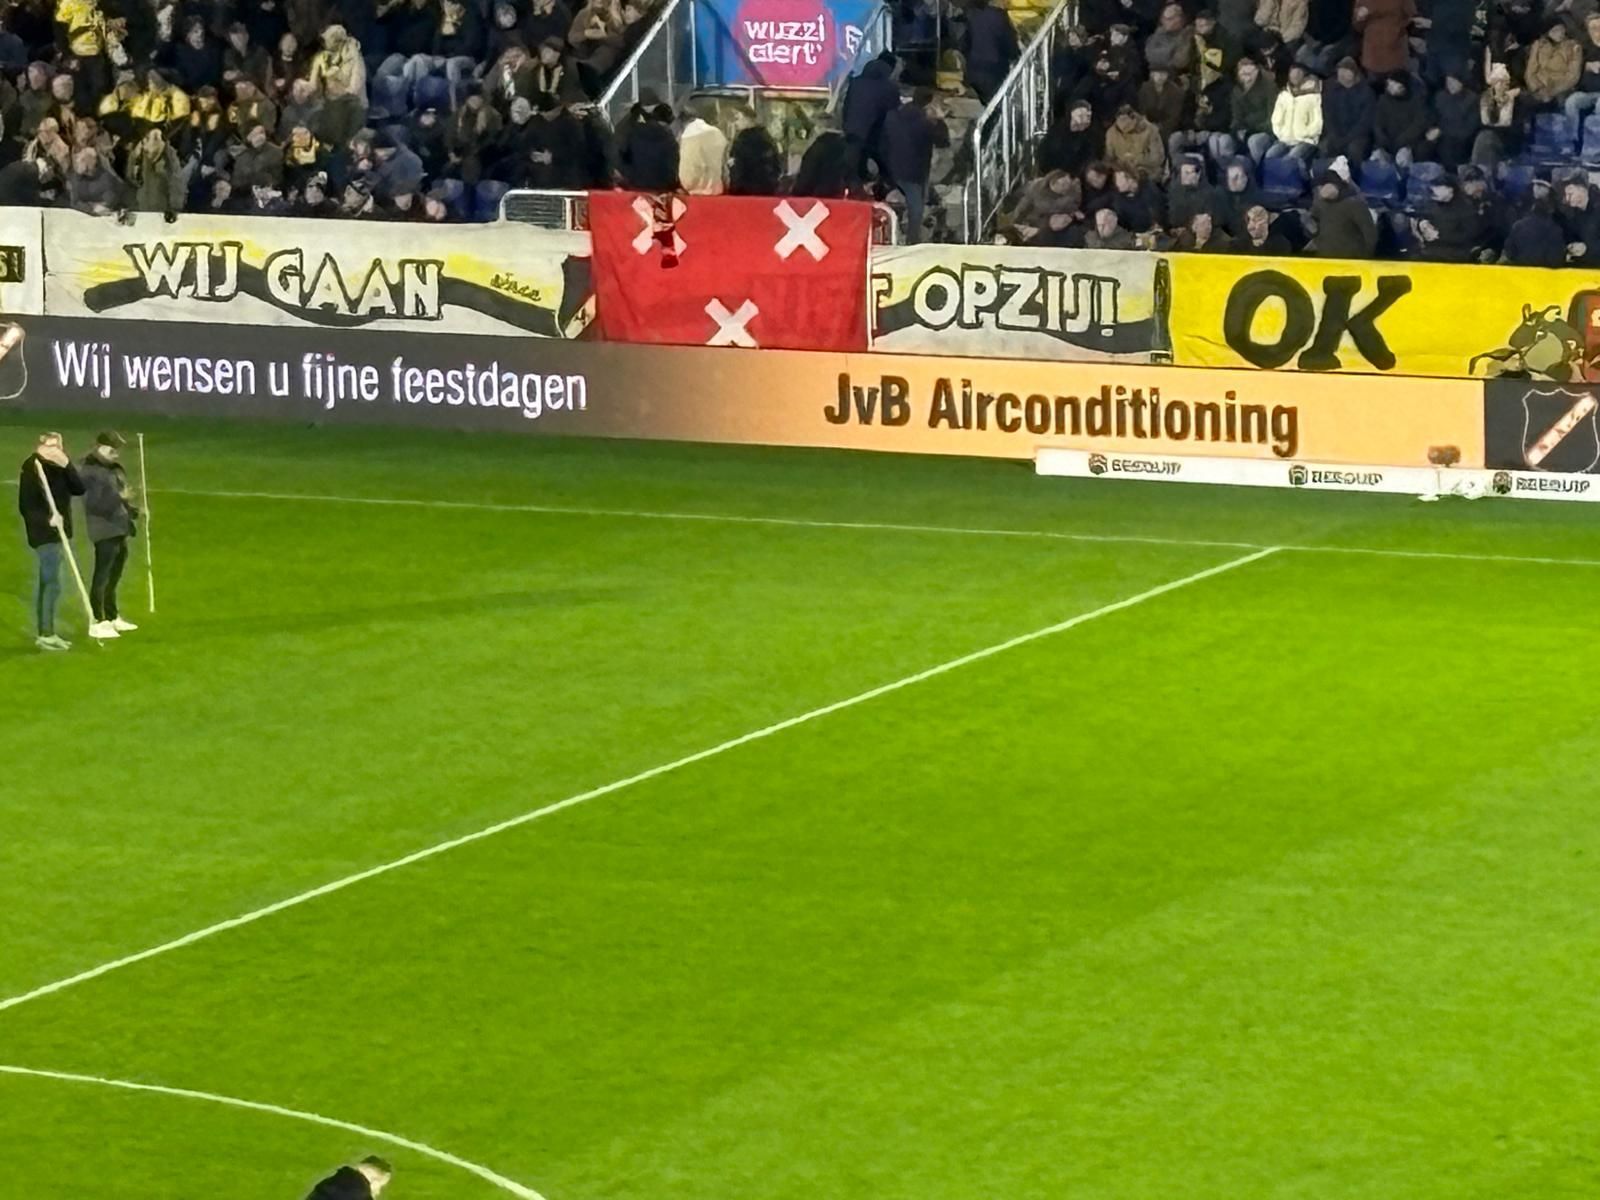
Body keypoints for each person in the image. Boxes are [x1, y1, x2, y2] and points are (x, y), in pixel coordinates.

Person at [18, 431, 85, 652]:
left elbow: (79, 489)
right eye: (50, 446)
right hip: (43, 534)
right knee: (51, 583)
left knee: (50, 583)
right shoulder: (32, 467)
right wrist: (48, 519)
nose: (54, 450)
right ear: (40, 447)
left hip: (61, 533)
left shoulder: (60, 465)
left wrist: (67, 465)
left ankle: (46, 632)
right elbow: (26, 506)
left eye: (58, 446)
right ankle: (46, 634)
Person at [79, 431, 138, 639]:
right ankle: (98, 620)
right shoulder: (90, 472)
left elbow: (118, 498)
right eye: (113, 450)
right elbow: (94, 504)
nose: (116, 454)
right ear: (100, 447)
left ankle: (112, 616)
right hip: (104, 529)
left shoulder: (112, 469)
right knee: (102, 576)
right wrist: (120, 497)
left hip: (119, 528)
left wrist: (132, 511)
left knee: (114, 576)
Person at [881, 88, 949, 243]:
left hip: (892, 168)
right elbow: (943, 142)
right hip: (914, 172)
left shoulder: (893, 115)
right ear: (928, 105)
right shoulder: (926, 124)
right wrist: (940, 120)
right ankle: (912, 242)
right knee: (916, 209)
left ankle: (897, 231)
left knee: (911, 203)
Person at [305, 1155, 393, 1199]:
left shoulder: (335, 1180)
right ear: (375, 1180)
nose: (378, 1192)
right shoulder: (360, 1194)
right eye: (380, 1186)